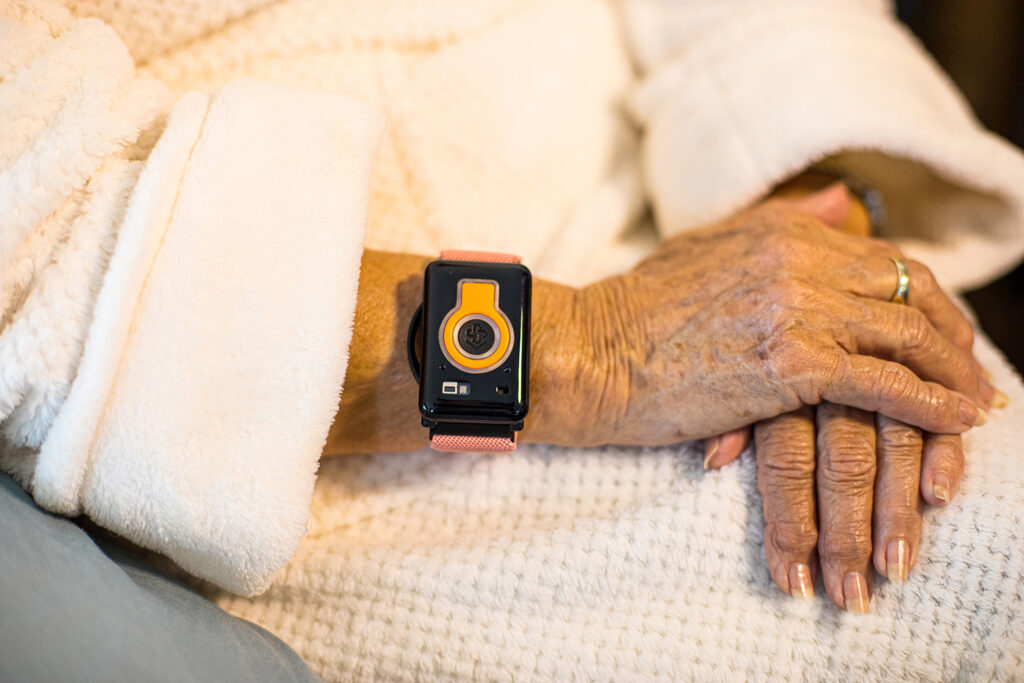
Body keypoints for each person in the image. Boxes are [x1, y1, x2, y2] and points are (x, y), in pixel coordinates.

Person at [3, 0, 1023, 679]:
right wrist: (590, 343)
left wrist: (789, 194)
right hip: (313, 412)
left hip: (696, 218)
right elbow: (35, 203)